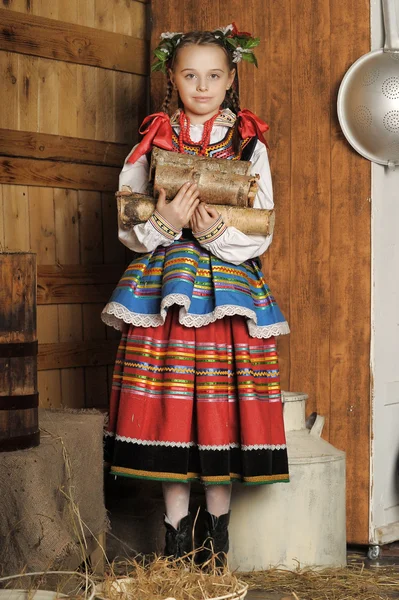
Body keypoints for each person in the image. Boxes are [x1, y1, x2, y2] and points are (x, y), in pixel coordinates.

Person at [102, 24, 290, 564]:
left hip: (228, 294)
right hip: (165, 295)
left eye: (213, 75)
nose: (202, 86)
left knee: (218, 407)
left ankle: (218, 540)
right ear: (173, 77)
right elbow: (126, 219)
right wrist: (164, 220)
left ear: (231, 79)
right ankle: (175, 536)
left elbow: (263, 227)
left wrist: (212, 232)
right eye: (190, 75)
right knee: (170, 407)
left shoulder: (249, 144)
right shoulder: (154, 139)